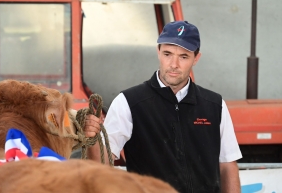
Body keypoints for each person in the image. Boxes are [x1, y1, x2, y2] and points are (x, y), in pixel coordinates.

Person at [85, 21, 242, 193]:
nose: (174, 64)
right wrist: (92, 139)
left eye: (183, 56)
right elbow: (103, 164)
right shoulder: (128, 102)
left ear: (196, 58)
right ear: (158, 52)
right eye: (167, 54)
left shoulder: (215, 105)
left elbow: (227, 165)